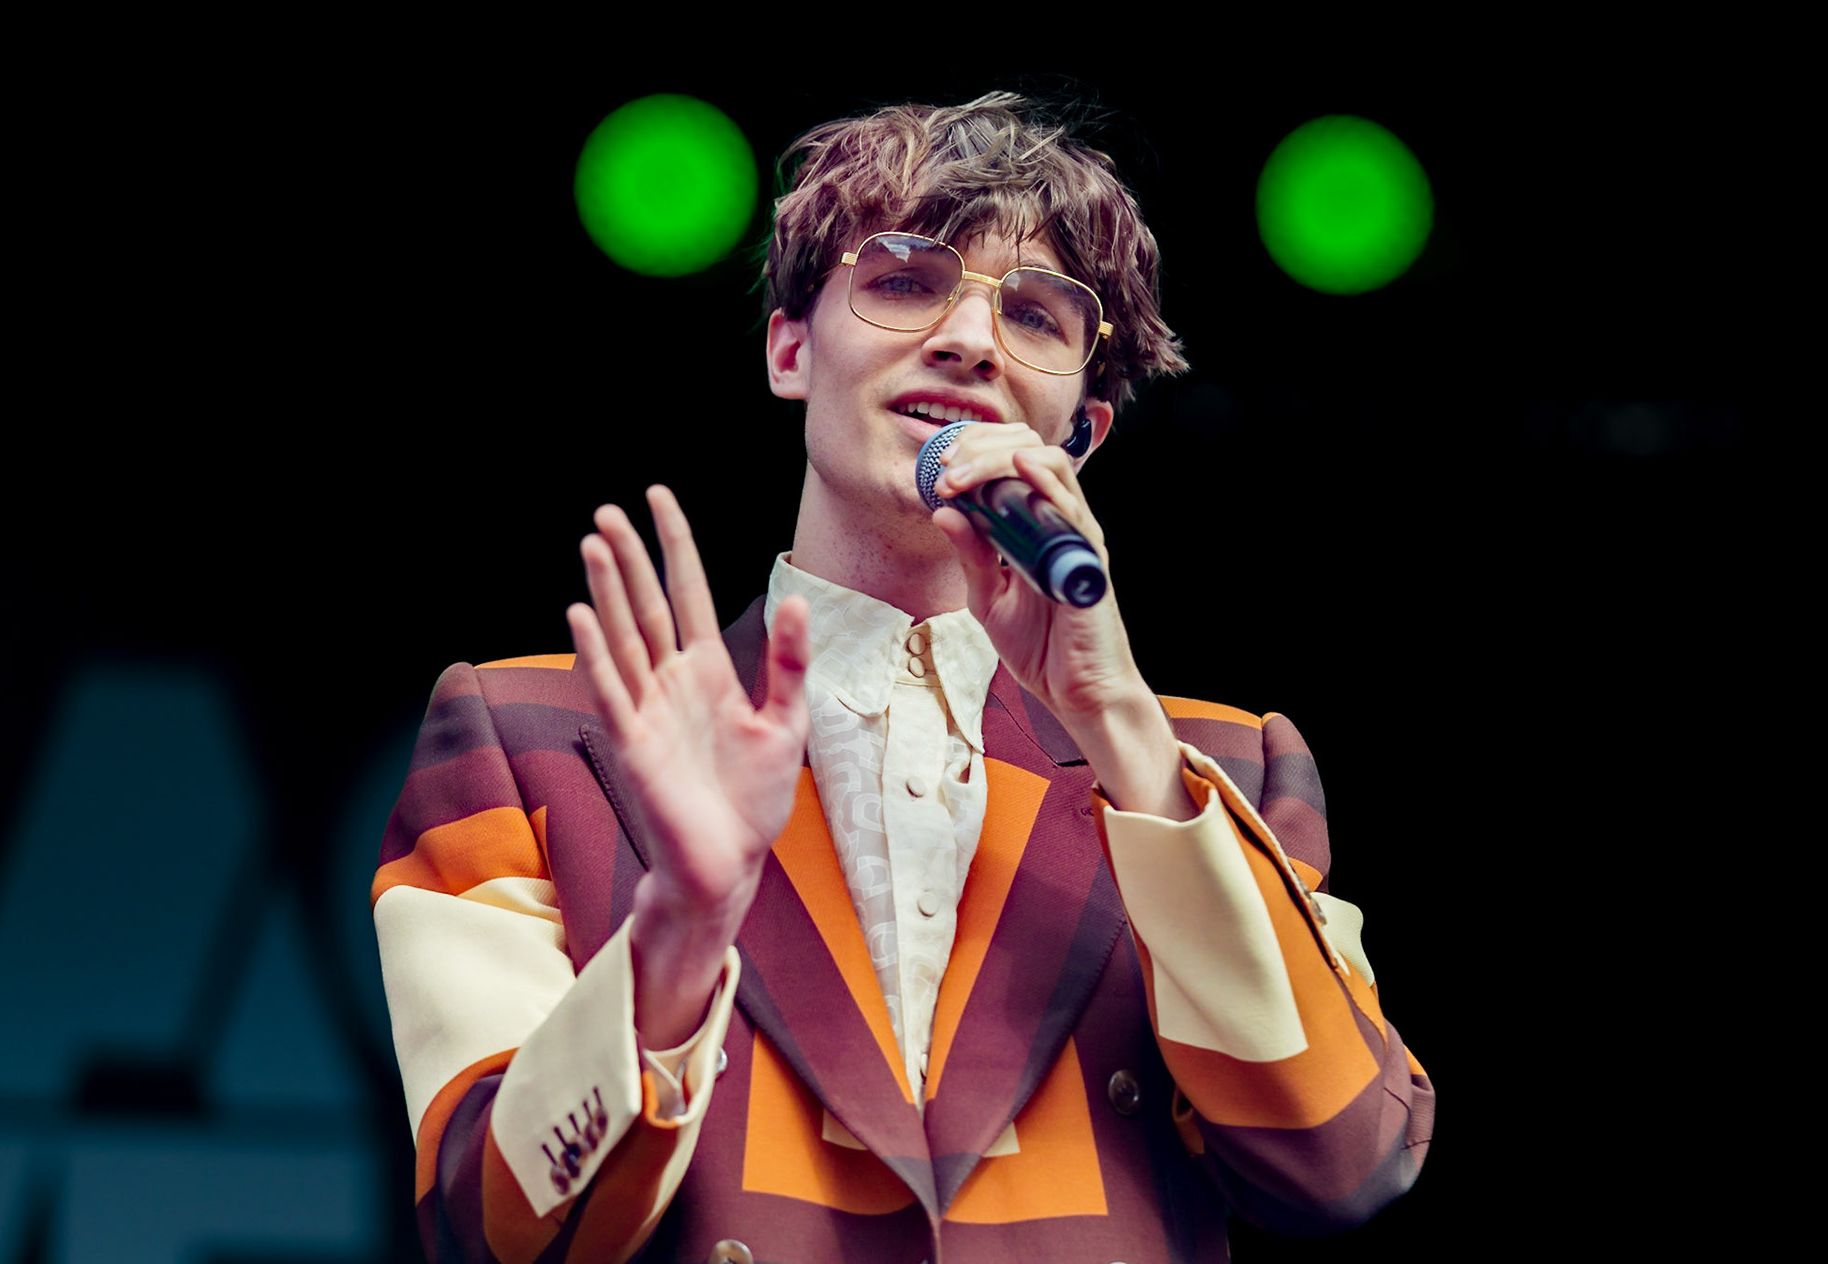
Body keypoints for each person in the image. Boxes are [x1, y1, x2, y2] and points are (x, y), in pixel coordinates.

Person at [373, 93, 1434, 1264]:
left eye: (1032, 312)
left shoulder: (1224, 772)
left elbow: (1346, 1158)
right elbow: (489, 1223)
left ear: (1081, 430)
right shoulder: (531, 738)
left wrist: (1125, 732)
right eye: (905, 281)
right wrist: (678, 926)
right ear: (791, 346)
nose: (970, 341)